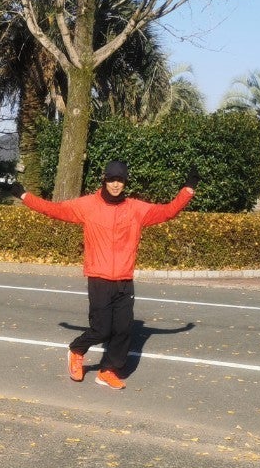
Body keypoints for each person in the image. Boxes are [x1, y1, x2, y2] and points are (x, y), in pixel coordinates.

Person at [15, 160, 197, 390]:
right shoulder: (88, 205)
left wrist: (188, 189)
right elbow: (55, 209)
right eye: (111, 180)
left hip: (124, 280)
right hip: (99, 279)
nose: (115, 184)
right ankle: (77, 350)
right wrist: (24, 196)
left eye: (120, 180)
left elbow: (168, 211)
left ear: (125, 182)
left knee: (123, 330)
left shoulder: (136, 209)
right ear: (105, 180)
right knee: (101, 330)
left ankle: (107, 370)